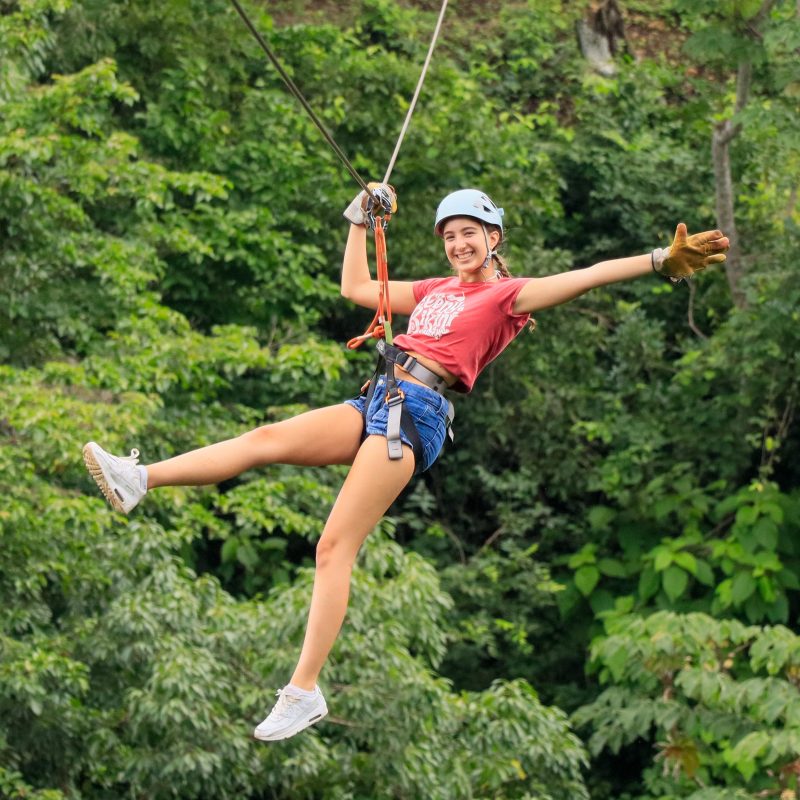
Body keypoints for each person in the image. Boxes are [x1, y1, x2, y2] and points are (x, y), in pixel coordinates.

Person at [82, 186, 729, 741]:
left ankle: (304, 689)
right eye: (449, 235)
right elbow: (356, 287)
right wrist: (359, 220)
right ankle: (140, 479)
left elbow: (583, 276)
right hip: (379, 395)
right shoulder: (433, 289)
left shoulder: (509, 296)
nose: (458, 244)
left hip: (415, 413)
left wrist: (656, 260)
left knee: (334, 546)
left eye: (469, 233)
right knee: (267, 436)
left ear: (494, 236)